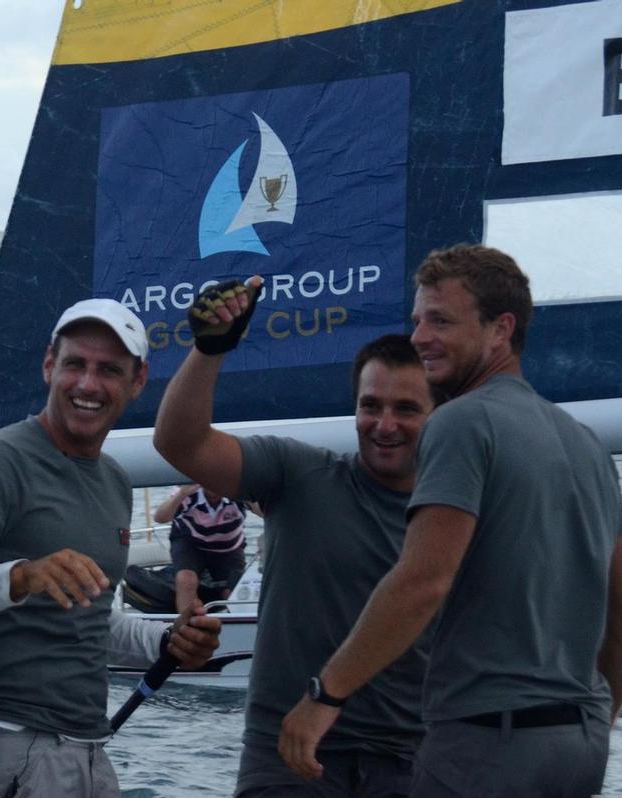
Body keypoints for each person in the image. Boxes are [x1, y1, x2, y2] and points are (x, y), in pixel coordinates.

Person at [280, 244, 622, 796]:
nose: (419, 337)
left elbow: (423, 580)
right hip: (577, 747)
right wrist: (596, 723)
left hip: (484, 745)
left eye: (440, 320)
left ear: (500, 330)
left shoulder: (460, 423)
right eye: (417, 320)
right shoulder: (586, 442)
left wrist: (324, 695)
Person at [0, 297, 222, 798]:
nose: (87, 384)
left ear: (137, 381)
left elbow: (91, 618)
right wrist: (19, 577)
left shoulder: (113, 480)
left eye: (108, 370)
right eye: (75, 365)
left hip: (85, 752)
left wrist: (166, 643)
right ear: (48, 366)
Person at [154, 276, 436, 797]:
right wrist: (211, 348)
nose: (385, 423)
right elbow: (178, 442)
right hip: (285, 754)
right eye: (370, 406)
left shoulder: (458, 515)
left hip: (415, 763)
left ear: (438, 414)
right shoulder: (298, 473)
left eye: (407, 409)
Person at [153, 482, 249, 612]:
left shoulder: (236, 492)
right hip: (191, 543)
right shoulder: (189, 492)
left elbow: (261, 509)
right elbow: (160, 517)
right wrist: (181, 494)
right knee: (186, 580)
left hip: (229, 546)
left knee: (233, 591)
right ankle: (187, 626)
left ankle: (232, 623)